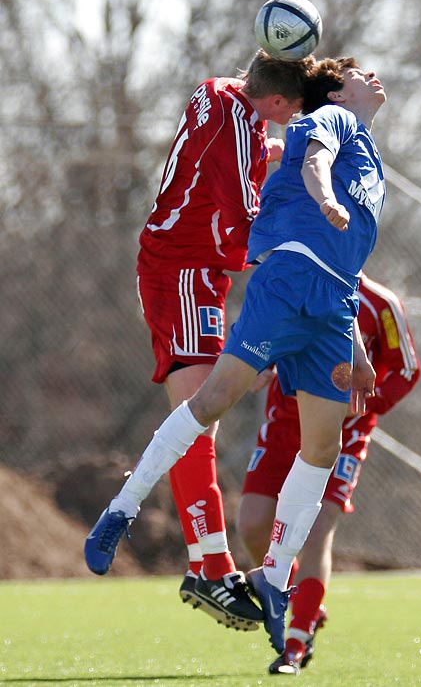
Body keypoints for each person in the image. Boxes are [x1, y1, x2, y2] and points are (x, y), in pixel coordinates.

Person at [84, 56, 387, 655]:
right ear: (315, 96)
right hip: (226, 277)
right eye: (356, 72)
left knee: (319, 445)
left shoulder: (343, 144)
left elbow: (340, 255)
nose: (372, 76)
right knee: (209, 405)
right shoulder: (321, 124)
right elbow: (302, 174)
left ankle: (270, 579)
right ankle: (154, 530)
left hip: (323, 304)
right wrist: (320, 193)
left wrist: (353, 339)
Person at [102, 50, 317, 632]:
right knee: (198, 418)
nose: (290, 120)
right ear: (275, 101)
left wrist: (282, 153)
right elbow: (249, 224)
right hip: (186, 272)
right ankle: (211, 567)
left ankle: (209, 565)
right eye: (292, 111)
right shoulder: (236, 123)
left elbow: (245, 155)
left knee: (198, 417)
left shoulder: (223, 93)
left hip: (182, 268)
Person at [237, 274, 421, 674]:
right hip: (283, 425)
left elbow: (406, 369)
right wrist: (253, 364)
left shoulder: (380, 304)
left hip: (343, 435)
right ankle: (307, 603)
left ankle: (296, 642)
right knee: (252, 524)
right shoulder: (288, 277)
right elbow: (258, 336)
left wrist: (363, 406)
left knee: (317, 528)